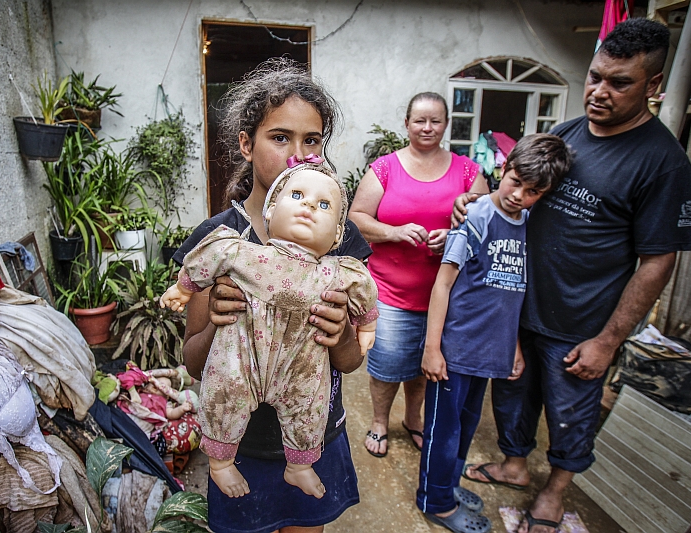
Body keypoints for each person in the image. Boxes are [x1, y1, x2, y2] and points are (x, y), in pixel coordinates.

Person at [454, 19, 691, 533]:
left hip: (582, 324)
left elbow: (659, 260)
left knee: (570, 411)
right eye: (594, 77)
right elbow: (516, 200)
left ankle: (556, 491)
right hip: (520, 306)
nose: (599, 92)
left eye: (619, 82)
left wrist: (608, 341)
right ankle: (515, 466)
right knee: (513, 395)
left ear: (653, 86)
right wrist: (476, 203)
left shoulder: (663, 162)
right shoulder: (563, 134)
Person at [172, 57, 371, 533]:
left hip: (312, 435)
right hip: (240, 448)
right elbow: (194, 361)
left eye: (312, 140)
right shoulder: (220, 243)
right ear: (246, 143)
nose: (298, 154)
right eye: (280, 137)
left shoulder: (338, 241)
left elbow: (347, 362)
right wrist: (216, 319)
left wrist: (341, 330)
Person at [162, 162, 379, 499]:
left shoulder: (337, 273)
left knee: (309, 406)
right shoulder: (242, 252)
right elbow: (211, 255)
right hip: (241, 359)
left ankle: (299, 466)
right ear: (270, 210)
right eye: (297, 195)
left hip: (300, 366)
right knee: (225, 393)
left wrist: (365, 326)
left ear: (337, 235)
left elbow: (363, 291)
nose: (309, 206)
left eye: (324, 205)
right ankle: (220, 463)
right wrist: (185, 288)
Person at [418, 134, 573, 533]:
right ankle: (434, 501)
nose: (519, 195)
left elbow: (511, 295)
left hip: (488, 352)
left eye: (533, 191)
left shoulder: (525, 224)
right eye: (515, 181)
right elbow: (443, 284)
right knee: (444, 432)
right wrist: (432, 347)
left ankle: (448, 488)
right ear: (502, 170)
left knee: (466, 428)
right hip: (454, 351)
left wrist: (514, 347)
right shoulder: (478, 216)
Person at [348, 92, 489, 458]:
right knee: (388, 362)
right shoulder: (385, 168)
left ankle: (414, 419)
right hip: (392, 292)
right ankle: (380, 421)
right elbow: (356, 219)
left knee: (424, 365)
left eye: (436, 121)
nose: (427, 128)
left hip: (445, 297)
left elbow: (488, 223)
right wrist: (394, 232)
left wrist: (456, 236)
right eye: (420, 120)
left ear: (446, 125)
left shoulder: (467, 171)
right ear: (407, 123)